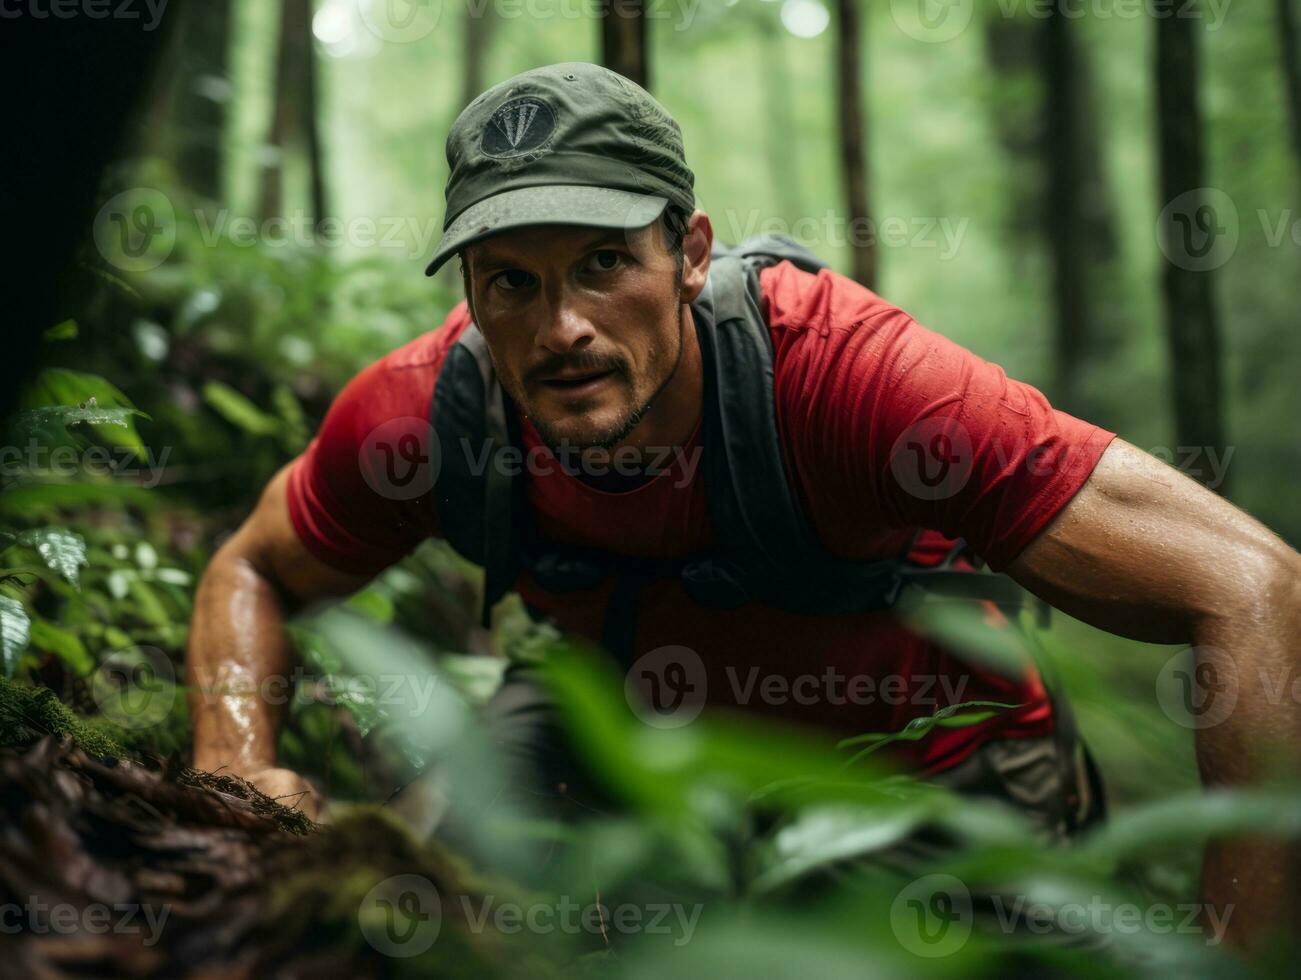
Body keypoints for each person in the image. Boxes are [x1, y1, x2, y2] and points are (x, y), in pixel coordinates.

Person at [187, 62, 1300, 950]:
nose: (559, 324)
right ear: (471, 291)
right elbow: (255, 566)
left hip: (917, 767)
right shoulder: (424, 414)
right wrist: (233, 755)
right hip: (628, 742)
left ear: (690, 252)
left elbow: (1251, 584)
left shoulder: (850, 376)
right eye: (511, 281)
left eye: (602, 262)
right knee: (396, 907)